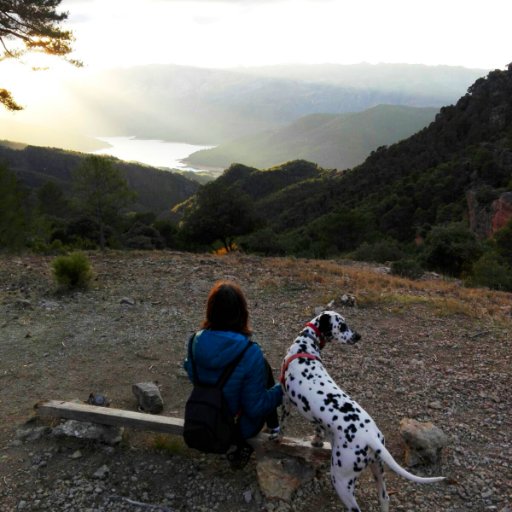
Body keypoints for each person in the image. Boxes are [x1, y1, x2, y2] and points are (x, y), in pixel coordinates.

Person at [184, 280, 283, 468]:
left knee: (260, 368)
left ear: (210, 310)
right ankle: (261, 434)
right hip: (235, 427)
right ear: (242, 313)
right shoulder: (249, 351)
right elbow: (255, 408)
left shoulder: (194, 341)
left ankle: (272, 427)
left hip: (201, 414)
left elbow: (191, 371)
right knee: (263, 368)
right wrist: (282, 390)